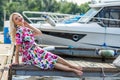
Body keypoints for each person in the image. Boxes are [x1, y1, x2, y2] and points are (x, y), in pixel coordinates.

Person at [9, 12, 83, 76]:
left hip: (37, 51)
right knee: (52, 63)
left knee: (55, 57)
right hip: (30, 56)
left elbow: (39, 33)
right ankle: (73, 70)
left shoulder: (26, 29)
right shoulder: (19, 32)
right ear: (15, 23)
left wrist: (29, 25)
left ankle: (72, 66)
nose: (19, 18)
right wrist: (16, 61)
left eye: (19, 16)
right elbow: (18, 48)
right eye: (16, 19)